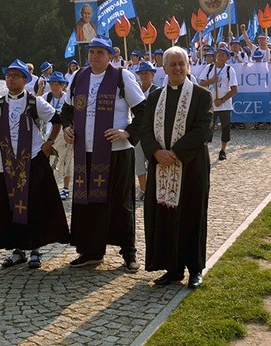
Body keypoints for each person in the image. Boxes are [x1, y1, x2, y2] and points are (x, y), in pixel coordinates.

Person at [60, 35, 147, 271]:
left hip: (116, 153)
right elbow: (66, 109)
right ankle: (91, 251)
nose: (95, 56)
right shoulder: (79, 77)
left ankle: (128, 252)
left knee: (121, 204)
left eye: (101, 52)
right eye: (91, 52)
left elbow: (143, 110)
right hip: (85, 153)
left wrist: (127, 132)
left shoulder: (121, 77)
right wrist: (68, 127)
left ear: (111, 56)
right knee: (87, 204)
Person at [0, 60, 70, 270]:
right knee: (11, 206)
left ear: (25, 80)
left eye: (15, 75)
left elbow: (58, 119)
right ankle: (18, 249)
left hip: (31, 160)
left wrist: (48, 143)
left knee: (34, 205)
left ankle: (35, 250)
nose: (10, 79)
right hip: (8, 164)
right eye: (8, 75)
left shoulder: (34, 103)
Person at [140, 46, 213, 289]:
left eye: (181, 63)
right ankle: (172, 268)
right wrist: (156, 152)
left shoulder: (202, 96)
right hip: (161, 167)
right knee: (166, 217)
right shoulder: (154, 97)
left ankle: (194, 269)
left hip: (192, 167)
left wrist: (176, 152)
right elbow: (145, 129)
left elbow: (203, 130)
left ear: (188, 66)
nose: (177, 68)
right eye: (172, 64)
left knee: (192, 216)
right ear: (164, 68)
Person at [197, 48, 237, 160]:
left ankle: (223, 150)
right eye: (219, 53)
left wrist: (222, 100)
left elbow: (234, 89)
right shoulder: (209, 68)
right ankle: (205, 150)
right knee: (208, 128)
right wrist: (211, 81)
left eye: (223, 54)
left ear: (227, 58)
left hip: (225, 105)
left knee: (225, 128)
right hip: (211, 105)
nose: (220, 55)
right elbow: (201, 84)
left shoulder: (229, 70)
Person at [42, 71, 72, 200]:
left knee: (67, 160)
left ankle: (65, 188)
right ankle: (51, 187)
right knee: (50, 162)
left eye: (56, 84)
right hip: (49, 134)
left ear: (63, 85)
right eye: (52, 84)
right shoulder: (45, 97)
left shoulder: (67, 98)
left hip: (65, 133)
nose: (54, 86)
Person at [133, 61, 159, 200]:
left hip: (153, 131)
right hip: (138, 131)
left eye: (146, 73)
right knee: (138, 161)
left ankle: (153, 189)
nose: (144, 76)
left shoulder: (158, 90)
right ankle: (143, 189)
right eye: (141, 73)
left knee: (152, 161)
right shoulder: (135, 90)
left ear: (153, 75)